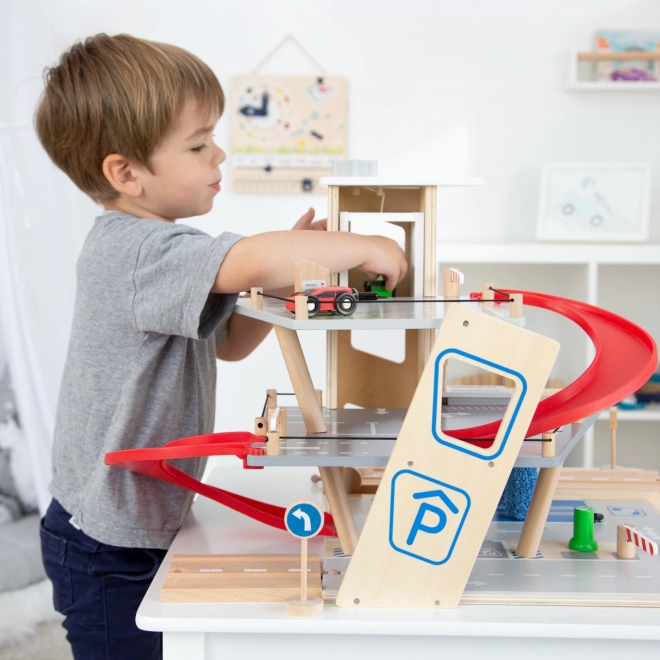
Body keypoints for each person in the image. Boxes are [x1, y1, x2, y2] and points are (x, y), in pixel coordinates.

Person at [35, 33, 406, 660]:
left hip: (137, 521)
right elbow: (250, 257)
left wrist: (285, 277)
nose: (220, 153)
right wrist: (365, 247)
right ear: (126, 174)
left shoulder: (165, 257)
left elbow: (230, 342)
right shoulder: (139, 251)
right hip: (105, 543)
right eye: (198, 144)